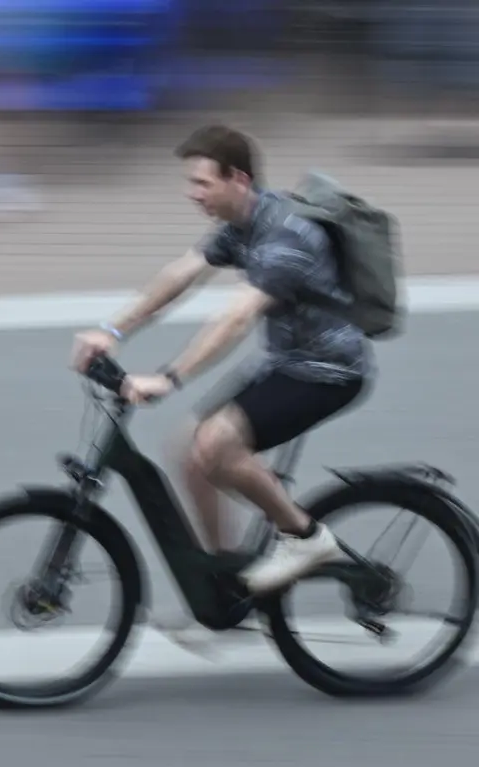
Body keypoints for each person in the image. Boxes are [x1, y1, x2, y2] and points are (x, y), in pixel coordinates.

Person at [70, 124, 373, 601]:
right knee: (189, 452)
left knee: (216, 444)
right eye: (190, 183)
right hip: (287, 361)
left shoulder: (288, 237)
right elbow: (180, 275)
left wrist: (170, 378)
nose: (192, 194)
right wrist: (112, 331)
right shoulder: (240, 226)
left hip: (328, 370)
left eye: (202, 183)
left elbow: (236, 319)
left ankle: (305, 538)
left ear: (239, 179)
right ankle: (226, 583)